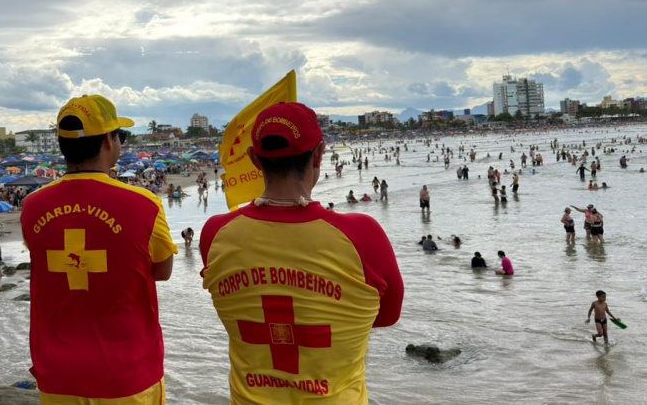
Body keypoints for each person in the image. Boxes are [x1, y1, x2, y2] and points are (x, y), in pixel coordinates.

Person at [200, 102, 403, 403]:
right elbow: (386, 316)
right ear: (319, 154)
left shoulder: (215, 234)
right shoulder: (363, 235)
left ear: (255, 159)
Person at [20, 94, 177, 403]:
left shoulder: (32, 207)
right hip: (127, 374)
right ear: (108, 140)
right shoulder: (144, 205)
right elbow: (163, 270)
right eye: (121, 135)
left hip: (59, 374)